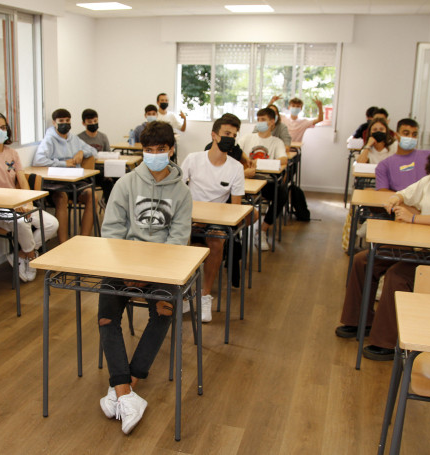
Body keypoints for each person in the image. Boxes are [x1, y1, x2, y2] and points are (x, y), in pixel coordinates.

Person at [336, 138, 430, 361]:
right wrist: (396, 199)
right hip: (418, 244)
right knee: (363, 260)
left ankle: (386, 341)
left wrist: (414, 218)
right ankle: (360, 321)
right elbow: (405, 193)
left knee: (397, 275)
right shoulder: (429, 181)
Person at [97, 121, 193, 434]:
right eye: (148, 150)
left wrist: (147, 272)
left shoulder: (182, 192)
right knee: (106, 318)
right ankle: (127, 394)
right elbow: (111, 232)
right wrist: (129, 271)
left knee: (164, 311)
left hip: (162, 268)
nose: (154, 156)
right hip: (124, 265)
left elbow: (178, 241)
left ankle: (124, 387)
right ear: (142, 151)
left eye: (160, 150)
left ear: (171, 150)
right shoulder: (125, 184)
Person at [0, 112, 59, 282]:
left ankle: (22, 255)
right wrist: (9, 204)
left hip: (17, 203)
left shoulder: (12, 153)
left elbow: (22, 180)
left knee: (51, 224)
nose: (0, 130)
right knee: (22, 222)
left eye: (3, 127)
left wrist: (27, 202)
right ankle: (31, 257)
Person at [182, 114, 246, 323]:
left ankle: (205, 295)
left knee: (217, 239)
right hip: (189, 214)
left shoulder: (236, 168)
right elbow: (178, 192)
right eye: (227, 133)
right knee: (178, 237)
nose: (231, 138)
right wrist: (192, 217)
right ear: (214, 135)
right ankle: (182, 291)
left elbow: (235, 207)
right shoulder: (193, 159)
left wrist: (208, 218)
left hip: (216, 218)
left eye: (234, 135)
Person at [32, 108, 98, 242]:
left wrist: (81, 152)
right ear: (54, 122)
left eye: (67, 121)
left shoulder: (74, 138)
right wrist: (62, 163)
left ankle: (83, 240)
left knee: (93, 196)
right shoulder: (49, 139)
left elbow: (93, 151)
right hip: (56, 184)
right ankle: (63, 244)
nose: (65, 123)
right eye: (61, 121)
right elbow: (38, 160)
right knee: (62, 198)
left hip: (75, 181)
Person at [238, 107, 289, 251]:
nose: (259, 123)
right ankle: (235, 233)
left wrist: (258, 163)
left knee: (282, 193)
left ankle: (262, 230)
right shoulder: (248, 138)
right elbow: (236, 149)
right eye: (258, 119)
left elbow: (283, 159)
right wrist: (247, 159)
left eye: (263, 120)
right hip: (245, 178)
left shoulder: (276, 142)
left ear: (272, 122)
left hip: (265, 181)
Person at [375, 118, 429, 191]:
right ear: (396, 135)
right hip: (398, 201)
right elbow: (383, 192)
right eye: (406, 134)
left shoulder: (429, 156)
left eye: (414, 134)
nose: (410, 137)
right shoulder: (384, 165)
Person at [156, 93, 186, 160]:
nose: (164, 102)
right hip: (157, 144)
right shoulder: (154, 115)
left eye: (166, 100)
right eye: (162, 100)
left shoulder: (171, 115)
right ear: (158, 102)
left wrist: (184, 119)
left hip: (170, 144)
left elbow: (182, 129)